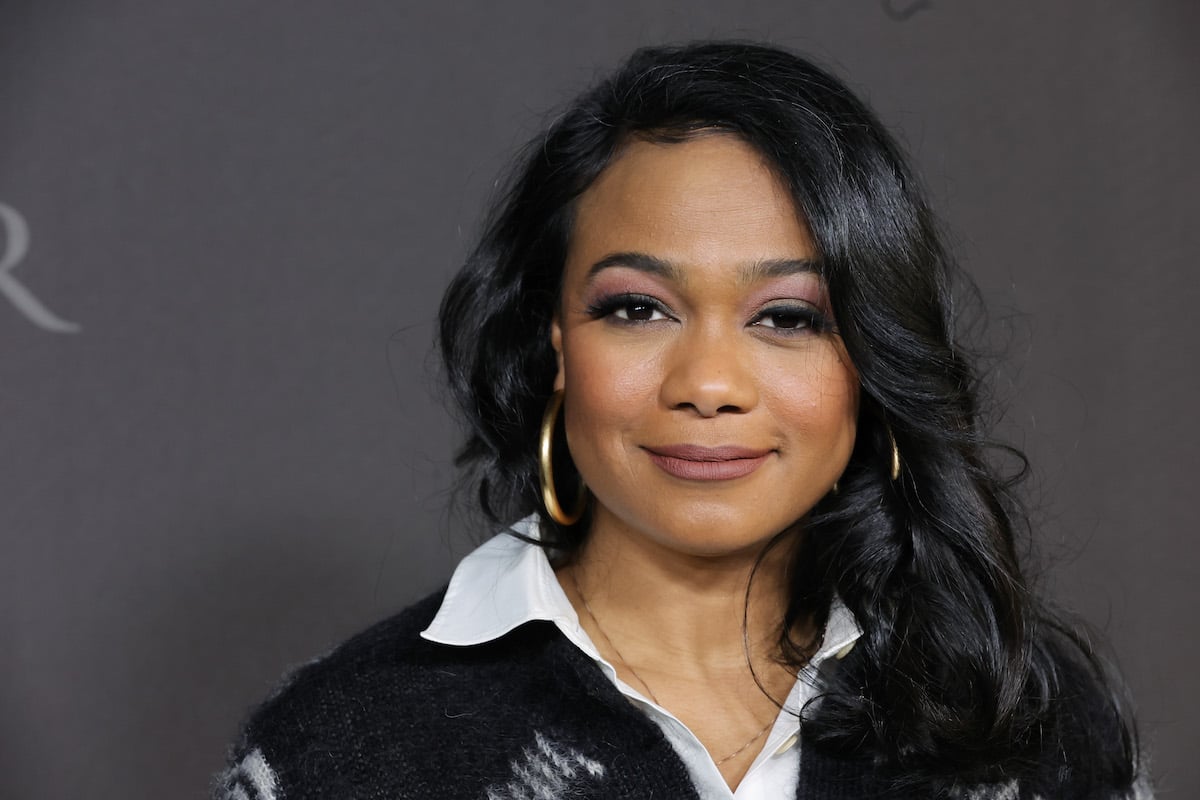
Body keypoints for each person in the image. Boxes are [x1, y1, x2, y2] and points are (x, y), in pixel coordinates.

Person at [214, 41, 1150, 800]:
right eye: (638, 308)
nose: (708, 384)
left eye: (788, 317)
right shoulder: (343, 747)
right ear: (555, 340)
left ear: (871, 360)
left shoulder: (1032, 718)